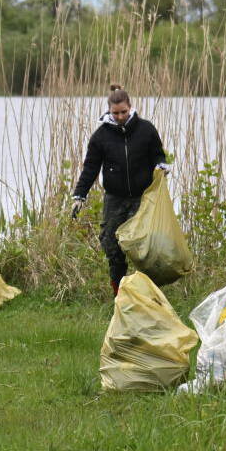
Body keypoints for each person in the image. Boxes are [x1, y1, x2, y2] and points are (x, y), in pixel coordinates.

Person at [71, 85, 169, 297]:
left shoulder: (146, 129)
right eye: (116, 113)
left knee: (143, 248)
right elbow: (90, 168)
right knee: (112, 246)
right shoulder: (100, 137)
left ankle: (149, 296)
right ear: (109, 111)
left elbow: (158, 154)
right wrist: (80, 195)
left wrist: (161, 165)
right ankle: (119, 295)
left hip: (141, 199)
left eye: (123, 112)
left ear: (130, 108)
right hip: (114, 199)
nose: (120, 116)